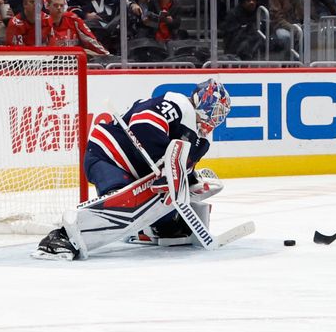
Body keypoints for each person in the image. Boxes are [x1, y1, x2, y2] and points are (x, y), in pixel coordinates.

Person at [33, 79, 232, 260]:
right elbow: (143, 124)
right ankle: (60, 238)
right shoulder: (178, 105)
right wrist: (164, 166)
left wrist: (189, 179)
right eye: (216, 111)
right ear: (203, 100)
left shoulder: (199, 140)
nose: (216, 119)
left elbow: (179, 168)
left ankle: (162, 227)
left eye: (221, 115)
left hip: (135, 169)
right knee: (121, 204)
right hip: (108, 156)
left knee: (161, 200)